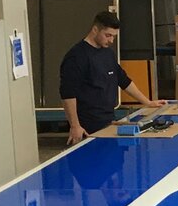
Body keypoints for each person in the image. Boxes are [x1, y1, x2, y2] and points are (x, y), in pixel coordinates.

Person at [60, 11, 165, 144]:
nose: (111, 40)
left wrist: (147, 102)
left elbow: (123, 80)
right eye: (108, 35)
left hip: (108, 122)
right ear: (95, 30)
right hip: (87, 127)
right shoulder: (76, 56)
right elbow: (68, 93)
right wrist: (75, 126)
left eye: (114, 36)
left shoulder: (108, 53)